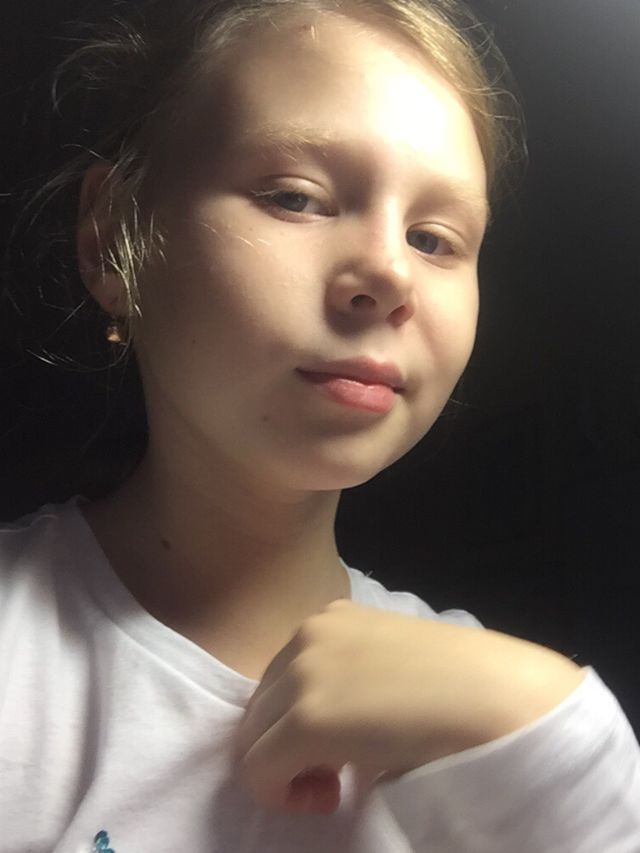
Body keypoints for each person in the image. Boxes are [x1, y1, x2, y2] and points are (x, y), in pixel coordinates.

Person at [1, 0, 638, 850]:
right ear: (112, 232)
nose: (389, 272)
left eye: (435, 239)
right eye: (296, 196)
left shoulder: (496, 731)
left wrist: (566, 749)